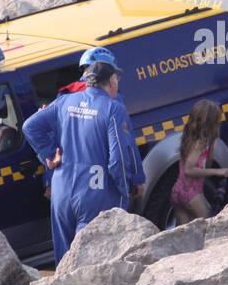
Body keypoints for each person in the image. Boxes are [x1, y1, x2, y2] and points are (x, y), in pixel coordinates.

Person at [24, 60, 144, 263]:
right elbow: (119, 159)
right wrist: (124, 190)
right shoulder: (113, 108)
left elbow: (30, 126)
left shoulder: (64, 102)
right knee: (92, 263)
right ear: (111, 82)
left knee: (64, 261)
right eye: (117, 79)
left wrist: (50, 154)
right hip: (95, 194)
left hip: (62, 192)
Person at [171, 100, 228, 223]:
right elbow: (189, 170)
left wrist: (213, 142)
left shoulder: (193, 139)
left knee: (186, 234)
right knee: (209, 225)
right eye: (216, 122)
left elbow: (207, 163)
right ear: (210, 123)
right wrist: (218, 172)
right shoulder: (198, 143)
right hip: (190, 194)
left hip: (179, 191)